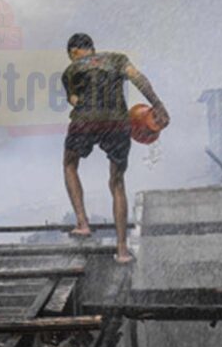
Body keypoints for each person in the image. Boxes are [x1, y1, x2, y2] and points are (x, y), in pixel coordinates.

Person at [62, 33, 169, 264]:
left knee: (70, 164)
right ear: (92, 48)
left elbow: (74, 101)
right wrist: (158, 105)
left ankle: (82, 222)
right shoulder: (117, 59)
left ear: (74, 52)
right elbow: (139, 79)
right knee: (117, 182)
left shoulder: (71, 71)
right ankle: (121, 250)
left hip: (87, 120)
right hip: (118, 123)